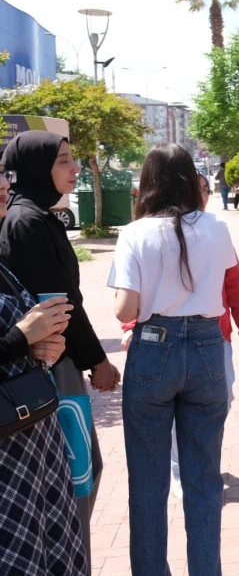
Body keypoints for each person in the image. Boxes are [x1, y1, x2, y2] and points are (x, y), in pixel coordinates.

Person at [108, 144, 237, 575]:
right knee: (204, 478)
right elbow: (221, 279)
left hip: (153, 346)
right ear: (189, 179)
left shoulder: (135, 232)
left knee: (148, 483)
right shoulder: (217, 228)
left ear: (148, 182)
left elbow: (125, 311)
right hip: (206, 347)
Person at [0, 131, 119, 567]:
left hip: (50, 362)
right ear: (37, 169)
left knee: (74, 475)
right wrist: (96, 361)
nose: (74, 169)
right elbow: (60, 305)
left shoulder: (39, 217)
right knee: (75, 477)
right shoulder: (27, 222)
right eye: (63, 161)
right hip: (46, 369)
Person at [119, 173, 239, 500]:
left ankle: (200, 466)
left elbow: (234, 284)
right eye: (199, 190)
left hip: (213, 338)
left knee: (220, 401)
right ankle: (183, 473)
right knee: (177, 410)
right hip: (160, 339)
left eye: (207, 190)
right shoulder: (147, 231)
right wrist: (129, 329)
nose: (204, 196)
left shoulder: (214, 231)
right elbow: (138, 289)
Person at [0, 167, 88, 575]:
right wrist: (21, 337)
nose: (4, 185)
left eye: (3, 174)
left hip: (32, 444)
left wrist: (41, 349)